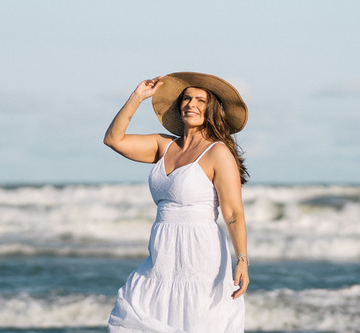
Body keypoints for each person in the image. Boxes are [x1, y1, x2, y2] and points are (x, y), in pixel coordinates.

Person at [103, 72, 250, 333]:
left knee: (197, 321)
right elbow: (114, 140)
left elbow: (233, 212)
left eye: (200, 100)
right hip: (162, 254)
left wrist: (242, 259)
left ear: (212, 109)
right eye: (186, 98)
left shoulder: (217, 152)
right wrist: (137, 97)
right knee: (136, 314)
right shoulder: (164, 145)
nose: (191, 104)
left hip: (200, 254)